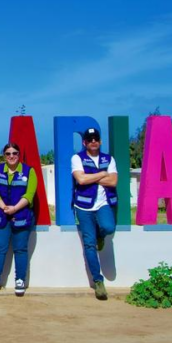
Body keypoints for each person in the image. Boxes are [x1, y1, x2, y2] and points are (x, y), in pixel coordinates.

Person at [71, 127, 118, 300]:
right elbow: (80, 179)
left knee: (108, 227)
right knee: (89, 244)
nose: (93, 142)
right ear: (84, 142)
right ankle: (98, 282)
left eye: (95, 139)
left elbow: (113, 181)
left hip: (104, 204)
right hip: (83, 206)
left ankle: (100, 235)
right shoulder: (77, 158)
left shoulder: (108, 158)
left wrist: (91, 176)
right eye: (89, 139)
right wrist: (101, 174)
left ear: (100, 141)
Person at [0, 143, 37, 297]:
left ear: (19, 154)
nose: (11, 156)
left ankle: (20, 280)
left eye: (14, 153)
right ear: (4, 156)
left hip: (21, 215)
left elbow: (29, 194)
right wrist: (4, 207)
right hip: (1, 215)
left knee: (20, 249)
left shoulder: (29, 171)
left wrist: (14, 208)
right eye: (8, 153)